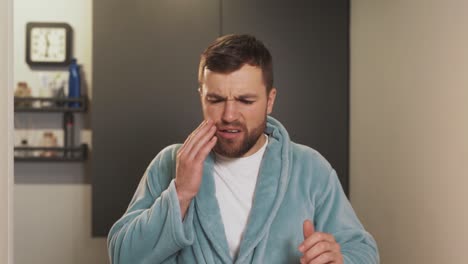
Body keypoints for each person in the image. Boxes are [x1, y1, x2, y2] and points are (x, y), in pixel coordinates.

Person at [107, 34, 379, 264]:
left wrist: (339, 259)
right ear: (201, 95)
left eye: (245, 100)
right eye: (215, 99)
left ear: (269, 101)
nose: (229, 115)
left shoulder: (309, 168)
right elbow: (122, 256)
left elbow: (364, 252)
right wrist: (181, 193)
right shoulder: (170, 162)